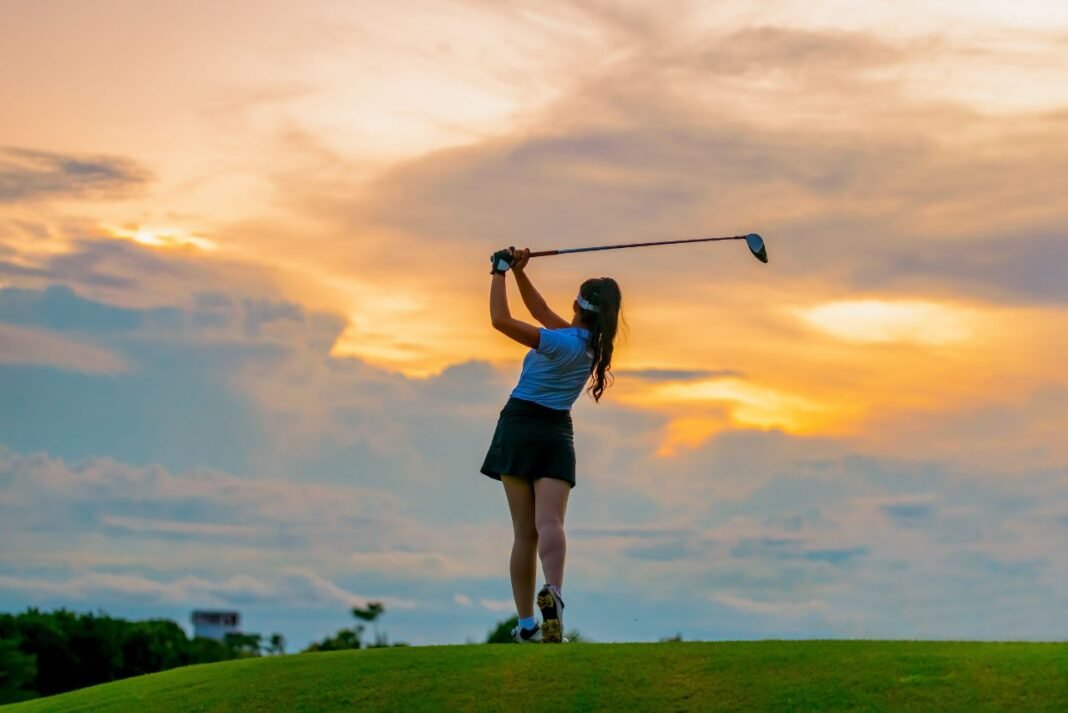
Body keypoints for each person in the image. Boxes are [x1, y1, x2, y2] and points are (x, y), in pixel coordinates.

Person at [481, 246, 623, 643]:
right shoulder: (590, 348)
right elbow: (541, 311)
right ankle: (554, 593)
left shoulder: (559, 343)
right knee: (552, 524)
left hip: (519, 426)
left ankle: (527, 625)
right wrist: (521, 272)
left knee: (525, 533)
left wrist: (499, 271)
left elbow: (500, 320)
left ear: (577, 304)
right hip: (557, 432)